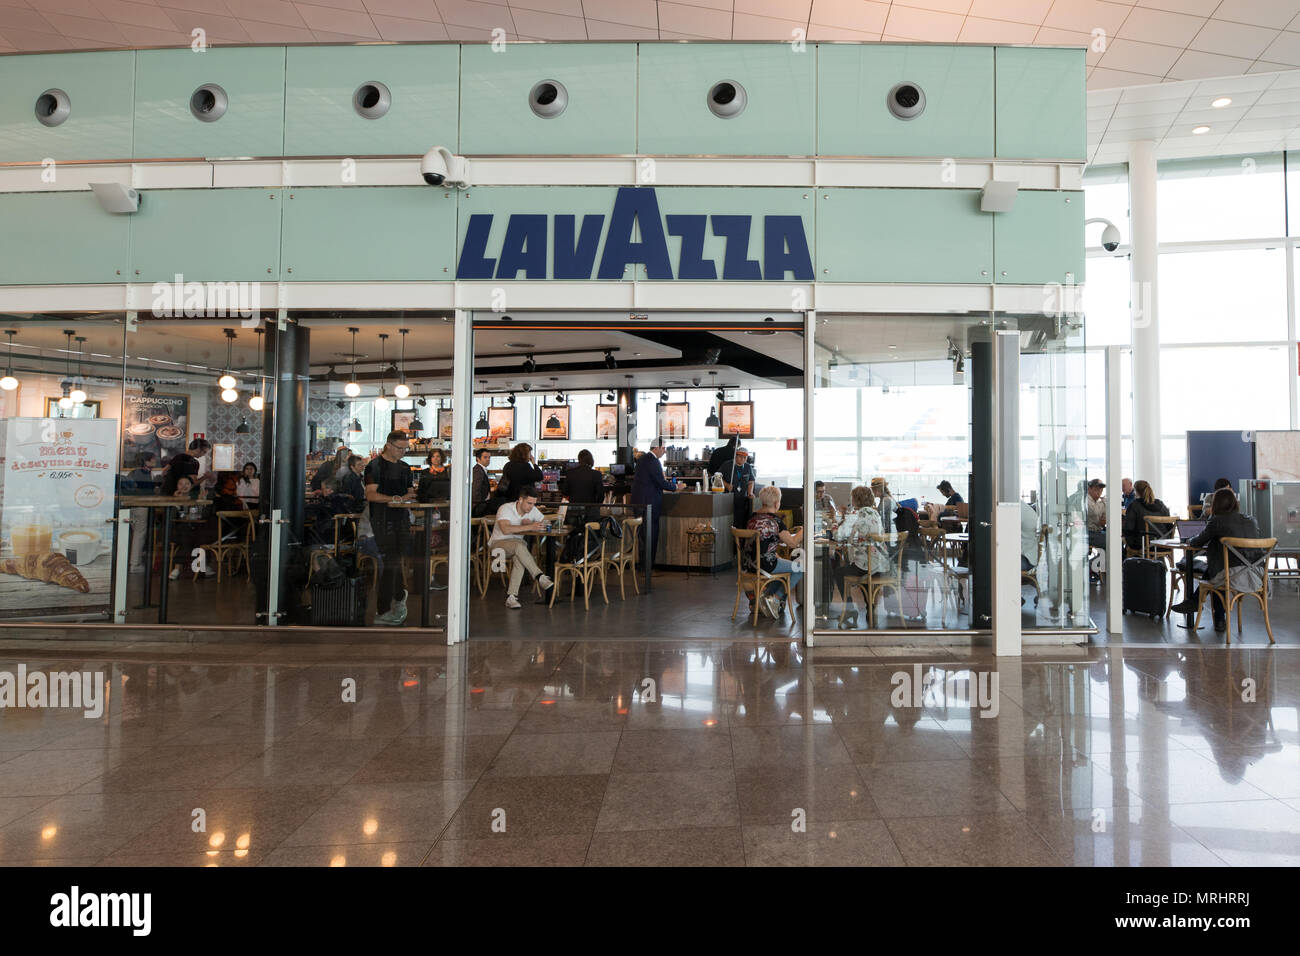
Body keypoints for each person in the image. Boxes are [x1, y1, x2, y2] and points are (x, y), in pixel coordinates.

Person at [1171, 488, 1264, 633]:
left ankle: (1199, 605)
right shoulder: (1251, 520)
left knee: (1218, 571)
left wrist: (1189, 539)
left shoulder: (1217, 521)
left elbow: (1197, 542)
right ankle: (1213, 616)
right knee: (1219, 565)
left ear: (1216, 504)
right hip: (1257, 576)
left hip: (1231, 576)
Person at [364, 431, 415, 626]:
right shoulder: (374, 466)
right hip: (382, 519)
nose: (403, 452)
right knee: (391, 560)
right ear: (388, 445)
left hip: (401, 518)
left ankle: (394, 600)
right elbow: (371, 494)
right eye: (400, 448)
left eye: (405, 448)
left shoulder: (404, 468)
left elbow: (410, 490)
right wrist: (394, 499)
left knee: (396, 560)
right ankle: (391, 602)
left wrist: (408, 497)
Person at [488, 485, 554, 609]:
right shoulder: (506, 508)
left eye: (533, 504)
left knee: (520, 553)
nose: (531, 506)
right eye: (529, 503)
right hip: (498, 547)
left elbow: (547, 522)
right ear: (520, 500)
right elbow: (506, 529)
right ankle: (539, 576)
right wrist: (529, 527)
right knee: (520, 546)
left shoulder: (532, 510)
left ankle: (511, 597)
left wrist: (533, 523)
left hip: (517, 548)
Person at [744, 484, 804, 619]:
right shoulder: (776, 521)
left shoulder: (752, 518)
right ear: (777, 503)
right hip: (766, 564)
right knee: (800, 568)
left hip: (749, 565)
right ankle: (775, 599)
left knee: (784, 565)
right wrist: (805, 529)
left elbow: (760, 543)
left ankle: (764, 597)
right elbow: (793, 543)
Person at [832, 485, 888, 627]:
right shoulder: (875, 514)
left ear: (856, 500)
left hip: (866, 565)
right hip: (881, 564)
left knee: (839, 572)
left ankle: (850, 609)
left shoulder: (857, 515)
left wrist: (834, 524)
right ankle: (870, 608)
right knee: (865, 572)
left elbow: (839, 536)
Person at [630, 438, 683, 563]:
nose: (664, 451)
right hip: (649, 504)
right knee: (650, 536)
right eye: (663, 448)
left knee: (643, 536)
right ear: (656, 448)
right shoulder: (653, 461)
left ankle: (644, 566)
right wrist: (676, 487)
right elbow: (661, 483)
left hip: (640, 502)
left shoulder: (643, 459)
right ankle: (648, 569)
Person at [560, 449, 606, 528]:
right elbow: (600, 495)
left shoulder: (570, 473)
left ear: (579, 459)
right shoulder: (596, 474)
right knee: (591, 534)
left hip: (573, 510)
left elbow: (565, 492)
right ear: (591, 460)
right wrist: (596, 506)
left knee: (573, 532)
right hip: (591, 510)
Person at [1121, 479, 1170, 553]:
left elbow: (1129, 528)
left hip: (1143, 545)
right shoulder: (1161, 505)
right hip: (1164, 545)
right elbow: (1169, 527)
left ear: (1136, 492)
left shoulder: (1134, 505)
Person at [719, 446, 756, 529]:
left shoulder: (747, 467)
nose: (743, 459)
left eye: (745, 457)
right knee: (730, 521)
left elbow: (751, 481)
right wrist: (726, 485)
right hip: (728, 499)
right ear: (736, 456)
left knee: (742, 521)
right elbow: (719, 477)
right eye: (740, 457)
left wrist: (750, 492)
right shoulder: (727, 465)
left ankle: (740, 539)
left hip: (742, 499)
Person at [471, 448, 495, 517]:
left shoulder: (481, 469)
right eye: (485, 457)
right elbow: (475, 489)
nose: (488, 459)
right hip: (479, 505)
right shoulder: (478, 471)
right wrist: (478, 505)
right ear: (478, 459)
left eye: (489, 457)